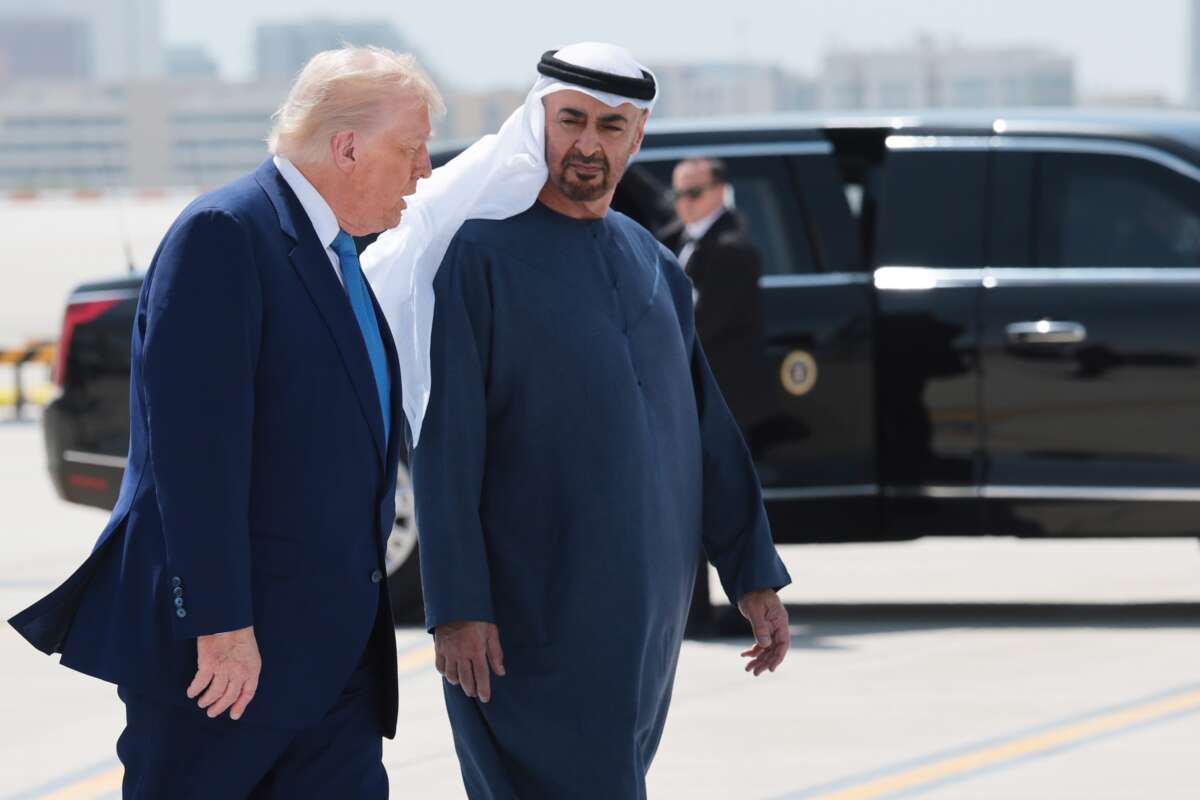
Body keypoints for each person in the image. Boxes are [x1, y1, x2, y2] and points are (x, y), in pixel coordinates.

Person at [8, 46, 441, 798]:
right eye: (411, 148)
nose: (426, 169)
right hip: (231, 667)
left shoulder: (339, 257)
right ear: (346, 147)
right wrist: (222, 627)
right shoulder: (226, 234)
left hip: (334, 666)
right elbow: (193, 457)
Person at [365, 42, 793, 799]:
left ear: (639, 138)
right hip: (526, 612)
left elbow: (705, 427)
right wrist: (457, 607)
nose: (589, 144)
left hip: (644, 616)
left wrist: (752, 574)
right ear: (539, 122)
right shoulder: (476, 258)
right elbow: (445, 442)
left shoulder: (653, 263)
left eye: (611, 126)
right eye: (572, 121)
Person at [658, 157, 778, 633]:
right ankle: (696, 608)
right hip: (686, 395)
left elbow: (703, 326)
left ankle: (735, 602)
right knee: (691, 499)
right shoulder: (675, 239)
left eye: (693, 193)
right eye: (678, 195)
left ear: (719, 191)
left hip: (725, 398)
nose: (683, 204)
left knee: (725, 498)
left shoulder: (733, 248)